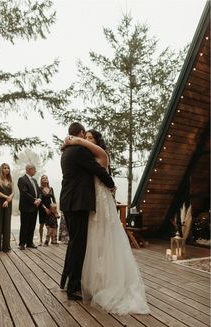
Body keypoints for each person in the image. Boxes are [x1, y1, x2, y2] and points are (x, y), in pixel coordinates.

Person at [64, 130, 150, 314]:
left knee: (102, 238)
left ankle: (104, 282)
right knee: (88, 241)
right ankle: (85, 281)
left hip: (100, 201)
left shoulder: (101, 155)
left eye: (90, 138)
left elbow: (100, 172)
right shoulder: (84, 155)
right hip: (88, 202)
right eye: (85, 137)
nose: (87, 141)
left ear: (97, 141)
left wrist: (74, 140)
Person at [59, 122, 115, 301]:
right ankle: (73, 288)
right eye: (86, 136)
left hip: (69, 201)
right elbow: (97, 170)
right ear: (81, 134)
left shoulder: (66, 151)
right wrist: (111, 184)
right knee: (78, 245)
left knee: (74, 243)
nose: (87, 139)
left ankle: (66, 281)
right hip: (78, 203)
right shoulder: (79, 151)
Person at [17, 164, 41, 249]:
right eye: (34, 169)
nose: (35, 171)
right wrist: (34, 200)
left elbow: (39, 191)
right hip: (26, 207)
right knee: (24, 225)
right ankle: (22, 243)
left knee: (32, 225)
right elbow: (24, 193)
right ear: (29, 169)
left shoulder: (34, 180)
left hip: (35, 207)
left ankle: (30, 242)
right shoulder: (22, 179)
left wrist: (39, 199)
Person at [0, 163, 14, 253]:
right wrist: (6, 197)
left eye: (8, 168)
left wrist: (7, 201)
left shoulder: (10, 180)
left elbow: (13, 193)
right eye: (5, 168)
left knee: (7, 224)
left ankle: (6, 247)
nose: (7, 169)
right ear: (1, 169)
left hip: (8, 203)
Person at [38, 175, 58, 246]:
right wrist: (45, 208)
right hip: (42, 208)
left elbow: (54, 199)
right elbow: (40, 200)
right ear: (41, 180)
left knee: (50, 224)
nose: (45, 179)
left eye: (46, 178)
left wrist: (55, 210)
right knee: (42, 224)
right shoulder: (40, 188)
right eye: (43, 178)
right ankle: (40, 240)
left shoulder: (51, 188)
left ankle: (50, 240)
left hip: (50, 208)